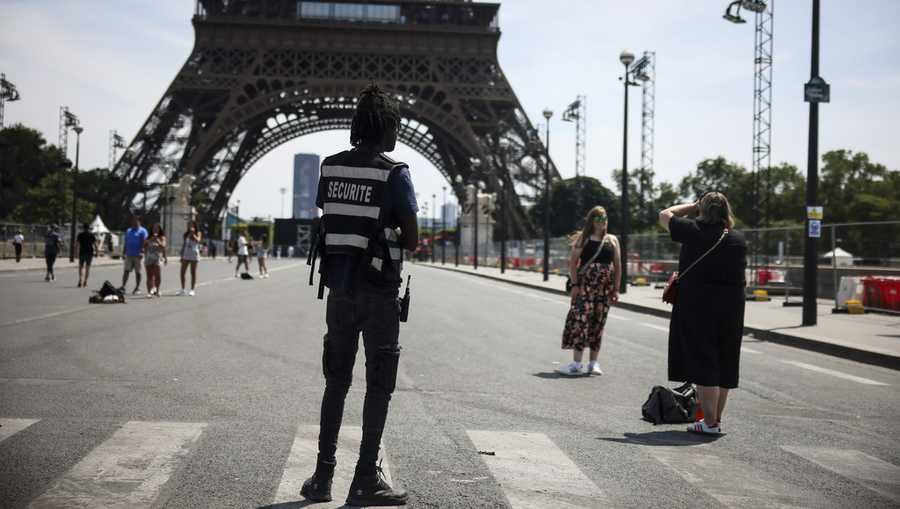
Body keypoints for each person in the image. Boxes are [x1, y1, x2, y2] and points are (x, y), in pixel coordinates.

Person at [301, 84, 417, 507]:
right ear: (385, 126)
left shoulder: (330, 168)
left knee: (336, 383)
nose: (398, 133)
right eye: (396, 125)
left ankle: (321, 476)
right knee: (379, 385)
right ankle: (366, 477)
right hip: (380, 291)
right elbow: (413, 239)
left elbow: (329, 220)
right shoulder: (395, 172)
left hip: (339, 291)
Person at [659, 192, 747, 436]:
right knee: (725, 362)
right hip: (732, 308)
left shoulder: (693, 231)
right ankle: (715, 419)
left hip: (698, 307)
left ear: (702, 210)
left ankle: (709, 423)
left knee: (704, 362)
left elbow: (664, 214)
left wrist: (691, 206)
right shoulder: (738, 240)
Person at [558, 206, 621, 376]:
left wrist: (616, 288)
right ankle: (576, 363)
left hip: (604, 290)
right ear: (592, 221)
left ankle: (593, 363)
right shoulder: (583, 239)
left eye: (605, 218)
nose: (603, 222)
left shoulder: (612, 240)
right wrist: (575, 285)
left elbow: (617, 266)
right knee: (581, 322)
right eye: (599, 219)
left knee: (598, 324)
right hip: (585, 289)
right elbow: (572, 264)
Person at [121, 215, 148, 294]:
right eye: (133, 220)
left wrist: (142, 252)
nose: (134, 222)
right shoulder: (128, 230)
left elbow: (145, 242)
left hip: (137, 255)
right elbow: (126, 242)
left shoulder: (143, 231)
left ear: (139, 221)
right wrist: (123, 253)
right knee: (126, 271)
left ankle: (137, 288)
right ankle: (123, 286)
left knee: (138, 272)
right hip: (129, 254)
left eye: (136, 220)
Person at [178, 221, 202, 296]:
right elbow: (184, 244)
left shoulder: (198, 233)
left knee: (193, 272)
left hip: (194, 254)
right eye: (189, 225)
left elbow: (198, 240)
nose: (190, 227)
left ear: (194, 226)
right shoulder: (185, 234)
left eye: (191, 225)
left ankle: (192, 290)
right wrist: (181, 255)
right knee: (182, 272)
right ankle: (182, 289)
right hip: (186, 254)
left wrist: (193, 234)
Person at [144, 223, 168, 297]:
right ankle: (149, 292)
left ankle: (157, 290)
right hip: (148, 258)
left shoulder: (162, 237)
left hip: (157, 258)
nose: (155, 229)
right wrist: (150, 240)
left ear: (159, 229)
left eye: (157, 228)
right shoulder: (148, 237)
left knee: (157, 275)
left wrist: (158, 241)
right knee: (149, 276)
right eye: (154, 228)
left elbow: (163, 246)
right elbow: (144, 245)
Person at [76, 223, 99, 288]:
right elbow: (95, 245)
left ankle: (80, 280)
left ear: (83, 228)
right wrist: (97, 252)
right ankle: (85, 282)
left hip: (82, 252)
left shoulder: (80, 235)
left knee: (81, 267)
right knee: (87, 268)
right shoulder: (92, 235)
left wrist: (76, 253)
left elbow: (77, 244)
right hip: (89, 253)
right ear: (89, 228)